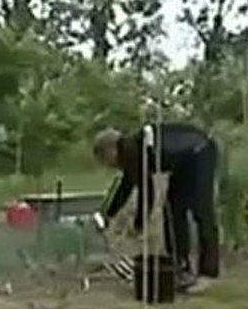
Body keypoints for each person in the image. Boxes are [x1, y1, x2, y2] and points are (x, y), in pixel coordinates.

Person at [92, 121, 220, 293]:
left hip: (200, 151)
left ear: (110, 150)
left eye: (105, 160)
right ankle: (180, 265)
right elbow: (127, 186)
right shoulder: (133, 148)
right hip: (185, 160)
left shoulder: (131, 151)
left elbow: (147, 192)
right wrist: (108, 215)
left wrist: (138, 225)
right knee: (173, 207)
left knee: (202, 210)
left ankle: (208, 272)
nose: (109, 165)